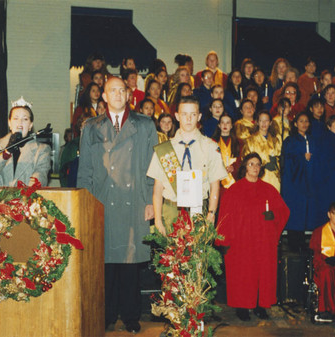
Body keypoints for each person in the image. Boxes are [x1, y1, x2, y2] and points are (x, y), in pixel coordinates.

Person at [77, 77, 158, 333]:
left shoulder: (144, 125)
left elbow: (153, 168)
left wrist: (151, 202)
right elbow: (85, 172)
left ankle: (132, 317)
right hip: (103, 202)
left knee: (131, 264)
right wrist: (86, 205)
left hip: (134, 201)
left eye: (122, 90)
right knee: (106, 264)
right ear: (104, 96)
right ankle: (107, 314)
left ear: (128, 94)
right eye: (112, 90)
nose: (118, 94)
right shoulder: (90, 127)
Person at [217, 153, 290, 321]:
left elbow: (283, 211)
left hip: (262, 241)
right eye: (251, 164)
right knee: (243, 274)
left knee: (262, 274)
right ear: (245, 167)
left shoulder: (268, 189)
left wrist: (273, 216)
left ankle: (259, 306)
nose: (255, 167)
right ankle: (242, 307)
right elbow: (225, 216)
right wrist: (224, 240)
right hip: (241, 242)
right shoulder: (234, 190)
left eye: (258, 164)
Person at [147, 95, 227, 234]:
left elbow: (215, 184)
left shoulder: (210, 147)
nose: (189, 119)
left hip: (198, 211)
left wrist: (211, 213)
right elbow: (158, 188)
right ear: (177, 116)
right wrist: (158, 220)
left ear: (199, 116)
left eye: (193, 114)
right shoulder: (164, 149)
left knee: (199, 255)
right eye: (184, 114)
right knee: (170, 255)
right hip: (171, 211)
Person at [0, 97, 51, 187]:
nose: (20, 122)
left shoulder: (42, 150)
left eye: (25, 119)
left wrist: (25, 196)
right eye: (15, 118)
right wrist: (6, 153)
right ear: (9, 123)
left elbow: (40, 177)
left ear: (30, 125)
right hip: (0, 200)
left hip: (27, 199)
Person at [281, 112, 322, 251]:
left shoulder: (313, 140)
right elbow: (287, 162)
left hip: (310, 184)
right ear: (295, 123)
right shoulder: (290, 141)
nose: (304, 124)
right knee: (296, 216)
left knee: (309, 218)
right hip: (296, 184)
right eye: (301, 121)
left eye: (306, 121)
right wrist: (301, 158)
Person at [242, 111, 282, 191]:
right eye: (261, 120)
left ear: (270, 122)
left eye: (266, 120)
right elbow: (246, 159)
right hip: (258, 176)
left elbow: (279, 157)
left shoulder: (276, 139)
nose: (264, 123)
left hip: (274, 176)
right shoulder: (250, 140)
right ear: (257, 122)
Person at [212, 114, 241, 191]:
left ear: (231, 126)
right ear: (219, 125)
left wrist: (234, 167)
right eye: (222, 122)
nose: (225, 125)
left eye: (228, 122)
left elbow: (241, 160)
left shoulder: (238, 142)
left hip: (235, 180)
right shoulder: (212, 142)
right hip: (218, 181)